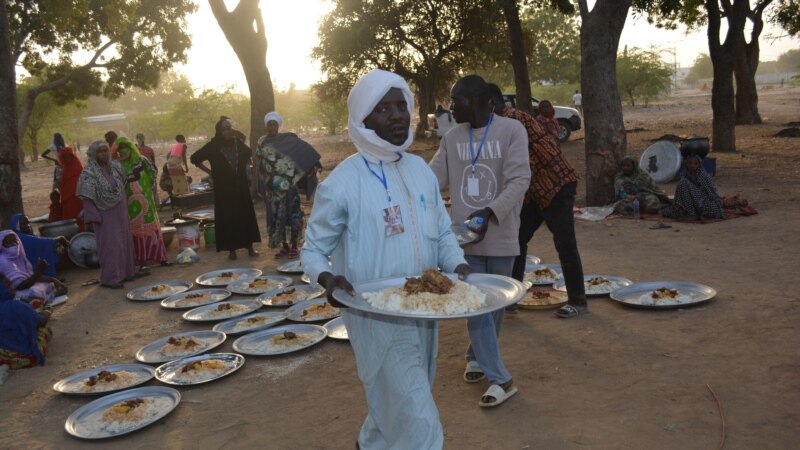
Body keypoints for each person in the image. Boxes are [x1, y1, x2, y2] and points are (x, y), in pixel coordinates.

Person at [302, 69, 471, 449]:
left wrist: (456, 262)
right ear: (362, 119)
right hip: (376, 312)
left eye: (401, 106)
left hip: (425, 307)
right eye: (383, 109)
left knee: (399, 395)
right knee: (418, 416)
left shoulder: (419, 171)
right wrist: (328, 279)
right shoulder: (342, 183)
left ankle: (371, 442)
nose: (397, 115)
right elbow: (313, 249)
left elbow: (442, 232)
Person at [429, 75, 529, 407]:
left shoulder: (511, 131)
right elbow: (432, 180)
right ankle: (501, 378)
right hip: (463, 240)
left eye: (456, 100)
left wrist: (489, 213)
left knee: (494, 306)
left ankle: (475, 355)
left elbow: (519, 180)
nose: (450, 106)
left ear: (475, 101)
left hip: (500, 233)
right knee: (475, 305)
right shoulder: (452, 137)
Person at [485, 85, 589, 319]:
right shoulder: (506, 121)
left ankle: (578, 300)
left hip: (555, 185)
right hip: (536, 189)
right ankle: (512, 296)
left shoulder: (512, 121)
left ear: (490, 103)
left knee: (565, 243)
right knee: (517, 239)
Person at [191, 117, 261, 260]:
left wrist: (245, 167)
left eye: (230, 127)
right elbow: (195, 158)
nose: (228, 131)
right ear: (219, 131)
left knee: (244, 215)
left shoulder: (237, 143)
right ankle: (232, 250)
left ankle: (249, 247)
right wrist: (210, 172)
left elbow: (248, 152)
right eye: (225, 129)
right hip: (224, 188)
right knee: (228, 217)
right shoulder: (213, 146)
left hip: (240, 186)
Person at [256, 111, 321, 259]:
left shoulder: (289, 139)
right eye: (269, 124)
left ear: (278, 125)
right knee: (276, 217)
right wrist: (263, 184)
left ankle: (294, 247)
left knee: (293, 215)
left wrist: (314, 164)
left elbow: (304, 151)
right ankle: (283, 246)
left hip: (289, 186)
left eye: (274, 124)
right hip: (272, 188)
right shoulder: (262, 142)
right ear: (266, 126)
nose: (272, 127)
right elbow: (261, 163)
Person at [77, 140, 137, 289]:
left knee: (124, 241)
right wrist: (94, 216)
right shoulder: (89, 172)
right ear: (94, 154)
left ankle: (127, 273)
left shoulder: (116, 166)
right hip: (104, 213)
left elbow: (123, 184)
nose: (104, 154)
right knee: (110, 245)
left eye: (106, 151)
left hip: (120, 210)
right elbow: (87, 196)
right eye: (100, 151)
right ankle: (111, 278)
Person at [112, 136, 170, 268]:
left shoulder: (143, 161)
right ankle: (142, 261)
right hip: (130, 205)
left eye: (125, 147)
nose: (123, 151)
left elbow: (153, 173)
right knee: (136, 230)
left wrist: (146, 190)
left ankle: (160, 257)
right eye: (120, 149)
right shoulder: (118, 166)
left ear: (131, 147)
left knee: (152, 228)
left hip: (147, 201)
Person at [0, 276, 53, 369]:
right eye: (8, 287)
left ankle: (9, 361)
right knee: (44, 331)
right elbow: (41, 322)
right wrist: (48, 311)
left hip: (6, 358)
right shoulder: (17, 306)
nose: (12, 289)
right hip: (29, 357)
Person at [0, 230, 66, 303]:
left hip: (25, 287)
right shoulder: (3, 261)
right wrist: (38, 272)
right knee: (34, 294)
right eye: (9, 243)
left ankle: (43, 298)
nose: (14, 244)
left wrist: (53, 280)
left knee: (49, 284)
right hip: (11, 294)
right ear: (2, 246)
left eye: (15, 241)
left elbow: (29, 276)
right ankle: (50, 297)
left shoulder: (18, 257)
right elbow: (20, 286)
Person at [662, 154, 725, 220]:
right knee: (668, 211)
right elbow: (681, 193)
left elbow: (710, 193)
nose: (692, 165)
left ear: (699, 165)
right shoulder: (685, 174)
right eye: (690, 163)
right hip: (692, 202)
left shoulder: (703, 175)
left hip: (705, 202)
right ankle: (688, 211)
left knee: (683, 183)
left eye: (695, 163)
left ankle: (692, 214)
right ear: (686, 164)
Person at [6, 214, 68, 278]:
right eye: (23, 224)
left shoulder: (24, 235)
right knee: (50, 247)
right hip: (22, 270)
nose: (27, 226)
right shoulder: (20, 238)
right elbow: (41, 242)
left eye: (28, 223)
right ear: (17, 226)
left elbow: (38, 241)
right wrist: (59, 239)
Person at [57, 146, 84, 229]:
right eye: (65, 157)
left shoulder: (78, 166)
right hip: (67, 198)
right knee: (70, 217)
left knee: (79, 216)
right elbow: (63, 184)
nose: (68, 159)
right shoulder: (64, 169)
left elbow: (82, 181)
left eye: (69, 156)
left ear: (72, 156)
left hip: (78, 197)